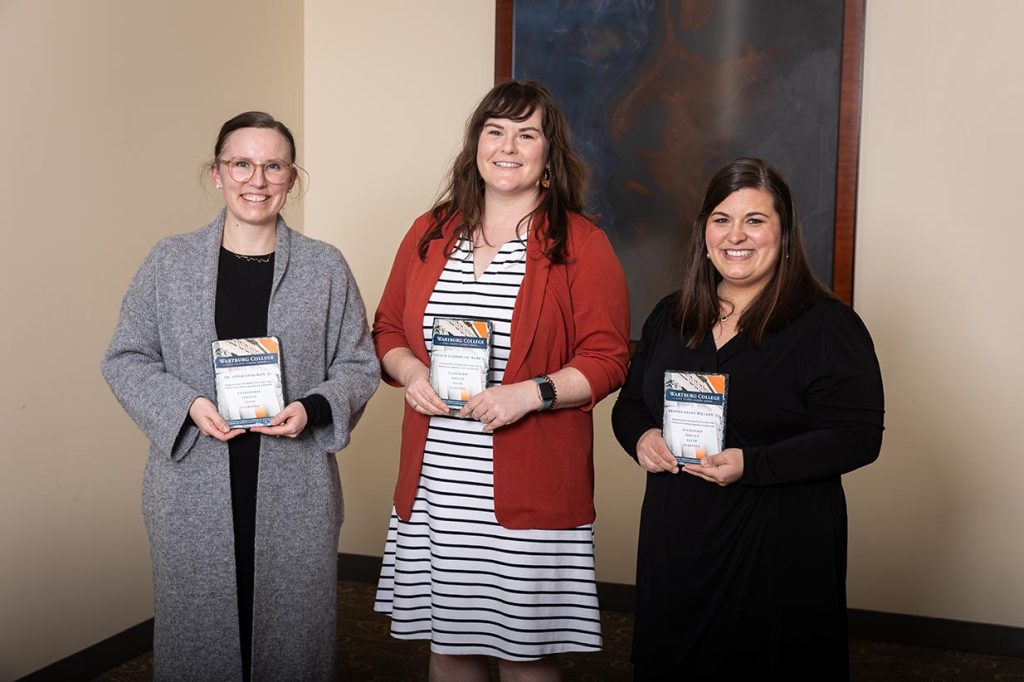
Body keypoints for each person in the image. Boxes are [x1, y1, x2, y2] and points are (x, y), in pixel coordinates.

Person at [101, 111, 379, 680]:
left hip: (295, 486)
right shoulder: (169, 262)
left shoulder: (325, 267)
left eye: (273, 165)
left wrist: (314, 407)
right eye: (242, 164)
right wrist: (185, 404)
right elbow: (126, 358)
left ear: (292, 178)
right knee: (198, 641)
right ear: (217, 174)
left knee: (293, 639)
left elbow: (359, 363)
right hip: (191, 485)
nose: (258, 179)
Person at [372, 80, 630, 680]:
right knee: (450, 649)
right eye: (495, 131)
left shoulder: (581, 244)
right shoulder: (430, 232)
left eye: (526, 133)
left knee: (526, 658)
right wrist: (410, 371)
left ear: (549, 153)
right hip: (438, 485)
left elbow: (609, 356)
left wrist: (531, 394)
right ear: (476, 145)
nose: (508, 146)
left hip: (530, 488)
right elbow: (387, 329)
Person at [611, 158, 884, 680]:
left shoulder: (828, 326)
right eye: (721, 219)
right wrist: (642, 436)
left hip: (778, 545)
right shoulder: (671, 315)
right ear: (703, 232)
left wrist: (752, 464)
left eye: (755, 220)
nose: (736, 236)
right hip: (679, 536)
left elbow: (858, 438)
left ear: (784, 233)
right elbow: (631, 405)